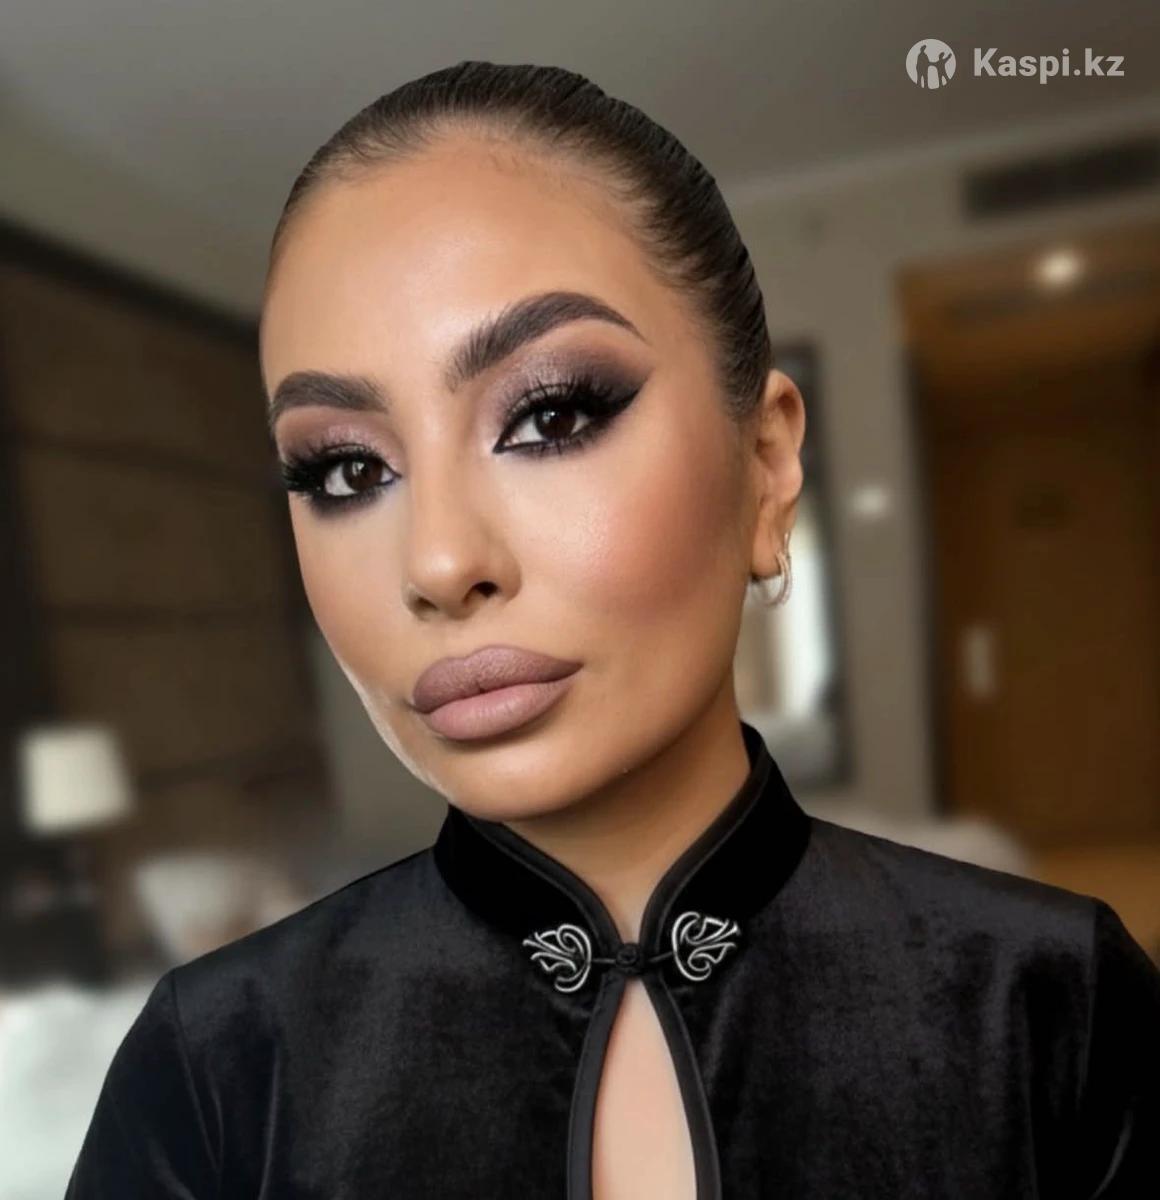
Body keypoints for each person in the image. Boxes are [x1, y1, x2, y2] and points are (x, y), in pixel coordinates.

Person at [66, 60, 1160, 1199]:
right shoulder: (217, 1064)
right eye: (346, 469)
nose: (438, 563)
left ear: (766, 462)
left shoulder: (1051, 1002)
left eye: (550, 415)